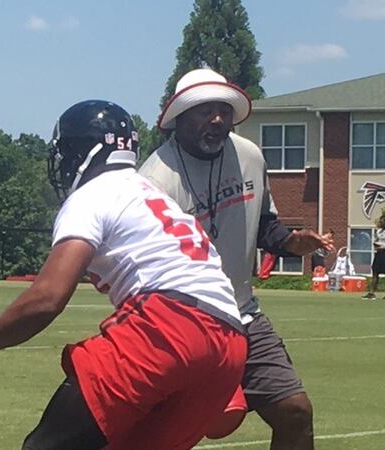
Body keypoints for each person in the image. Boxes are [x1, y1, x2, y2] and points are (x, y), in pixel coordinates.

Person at [0, 100, 247, 450]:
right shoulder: (153, 195)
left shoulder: (94, 194)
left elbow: (47, 298)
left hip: (169, 328)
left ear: (81, 152)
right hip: (230, 344)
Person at [139, 68, 334, 450]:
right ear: (178, 118)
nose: (216, 119)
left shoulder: (249, 156)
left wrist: (292, 243)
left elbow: (264, 227)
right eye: (204, 110)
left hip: (242, 313)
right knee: (165, 434)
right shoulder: (154, 180)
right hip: (179, 322)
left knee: (295, 412)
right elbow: (147, 270)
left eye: (223, 110)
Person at [362, 215, 385, 299]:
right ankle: (372, 293)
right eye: (381, 221)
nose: (381, 222)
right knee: (375, 272)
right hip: (379, 254)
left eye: (383, 221)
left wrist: (383, 247)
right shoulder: (378, 231)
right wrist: (376, 244)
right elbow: (375, 241)